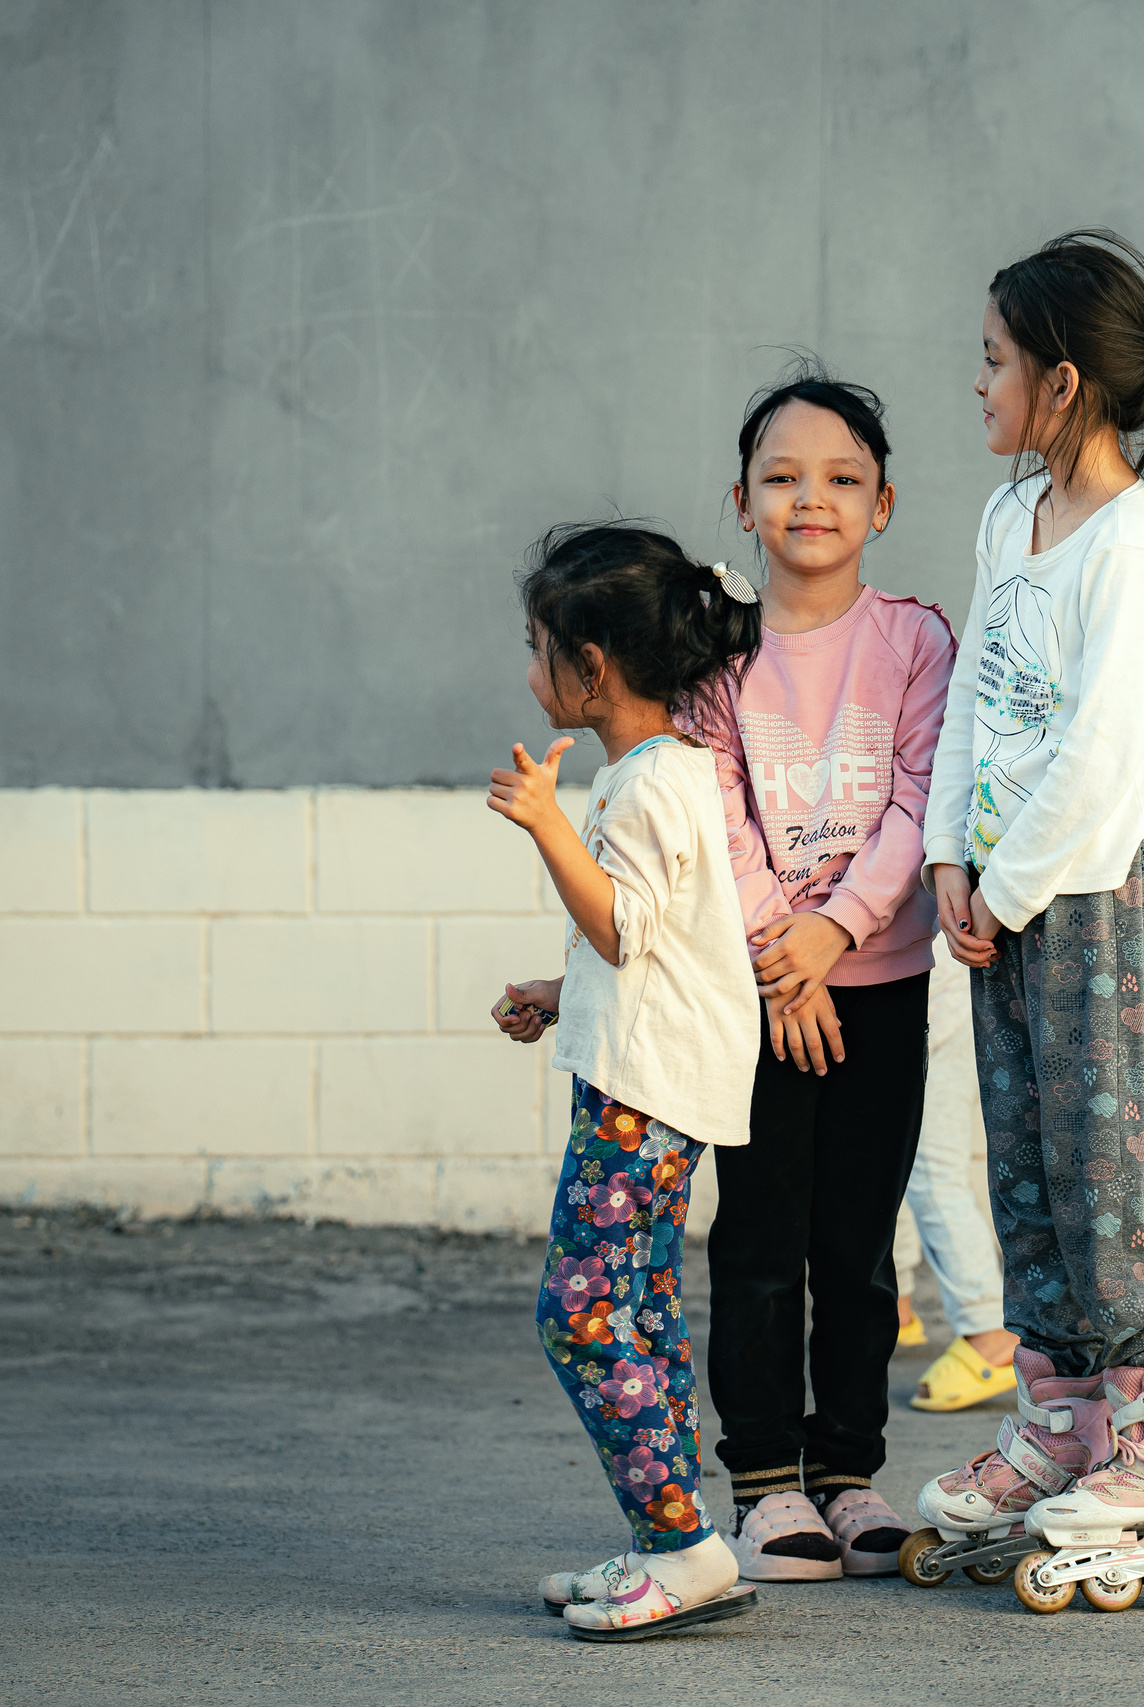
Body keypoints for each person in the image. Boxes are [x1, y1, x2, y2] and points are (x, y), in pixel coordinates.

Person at [911, 231, 1144, 1611]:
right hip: (995, 895)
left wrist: (998, 888)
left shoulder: (1132, 543)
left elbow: (1108, 759)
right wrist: (949, 854)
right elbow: (975, 705)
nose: (979, 385)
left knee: (1094, 1153)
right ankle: (1062, 1409)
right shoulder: (1013, 520)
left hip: (1079, 896)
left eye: (994, 363)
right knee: (1025, 1160)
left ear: (1062, 384)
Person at [485, 522, 765, 1641]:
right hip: (643, 1078)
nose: (530, 667)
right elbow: (656, 945)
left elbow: (625, 926)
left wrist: (548, 825)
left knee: (582, 1314)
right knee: (635, 1314)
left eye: (537, 644)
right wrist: (560, 995)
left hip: (644, 1095)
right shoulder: (660, 773)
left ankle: (687, 1551)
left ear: (591, 666)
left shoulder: (646, 786)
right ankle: (672, 1542)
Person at [701, 369, 957, 1581]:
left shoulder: (912, 638)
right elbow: (714, 810)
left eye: (842, 478)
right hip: (757, 992)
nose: (813, 497)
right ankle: (762, 1484)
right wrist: (781, 957)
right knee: (757, 1239)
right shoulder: (713, 652)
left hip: (880, 986)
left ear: (884, 504)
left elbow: (922, 798)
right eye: (783, 477)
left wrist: (838, 932)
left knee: (857, 1247)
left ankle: (848, 1472)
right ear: (740, 502)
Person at [891, 933, 1021, 1413]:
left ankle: (989, 1331)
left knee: (932, 1170)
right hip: (909, 985)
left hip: (941, 995)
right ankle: (896, 1307)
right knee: (890, 1156)